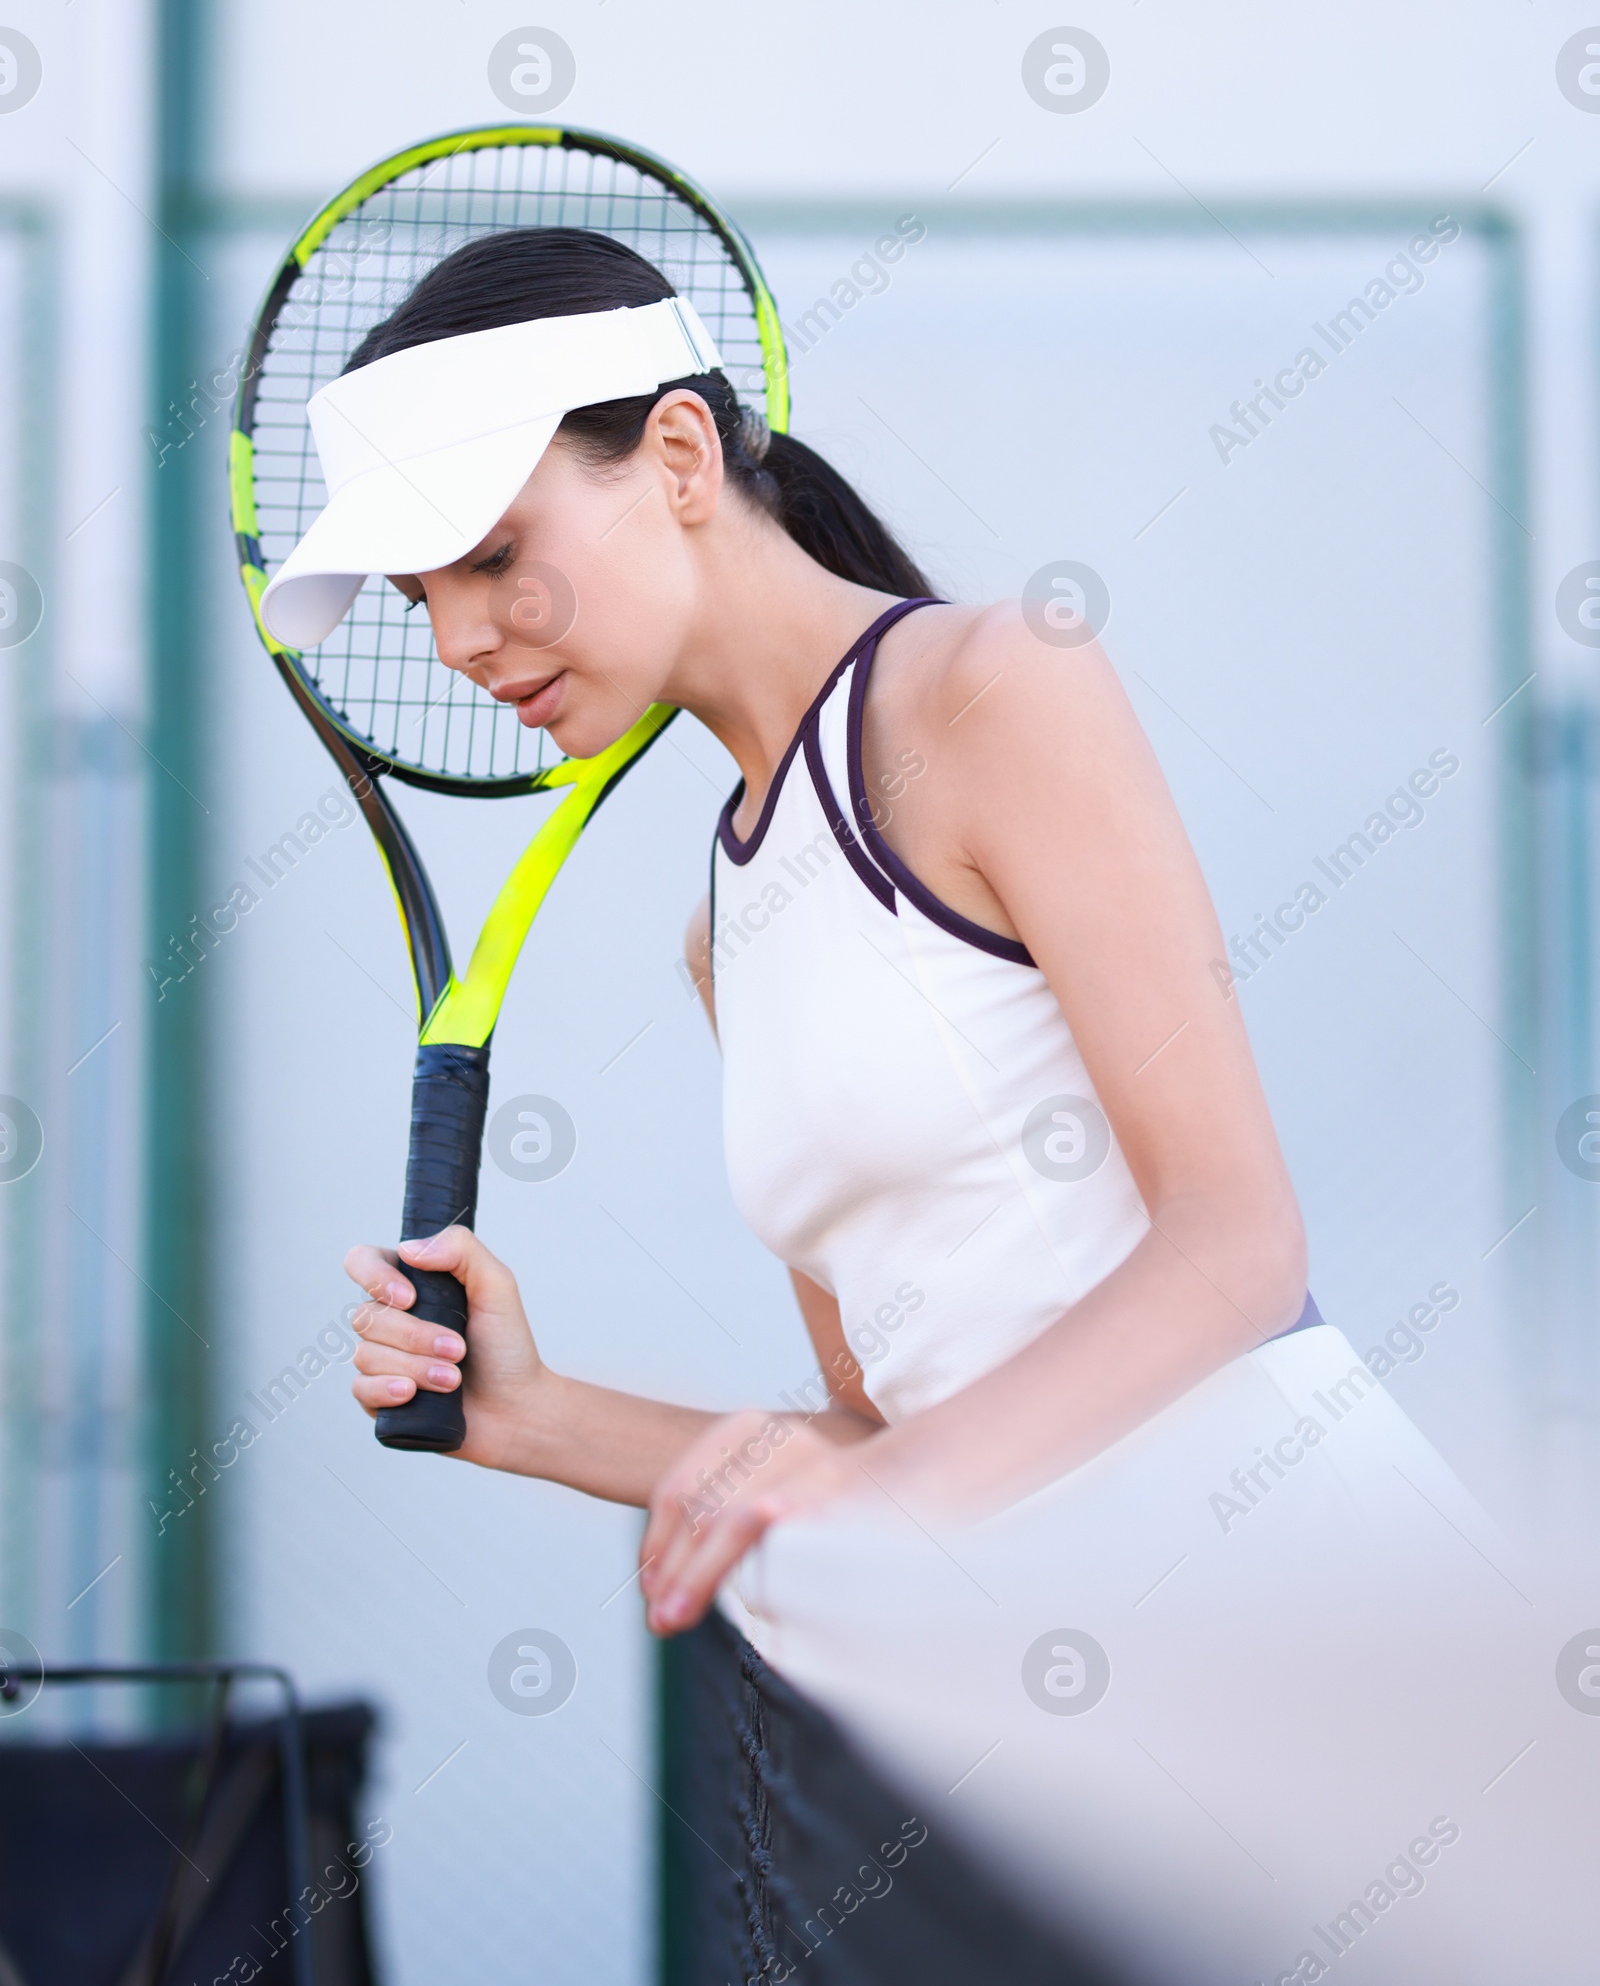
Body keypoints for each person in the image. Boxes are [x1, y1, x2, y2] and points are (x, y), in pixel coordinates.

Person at [299, 222, 1319, 1639]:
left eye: (490, 554)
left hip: (1313, 1612)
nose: (460, 639)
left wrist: (893, 1500)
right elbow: (876, 1438)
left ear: (677, 455)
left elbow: (1238, 1248)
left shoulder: (994, 684)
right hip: (1084, 1695)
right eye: (421, 599)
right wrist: (530, 1415)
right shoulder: (732, 926)